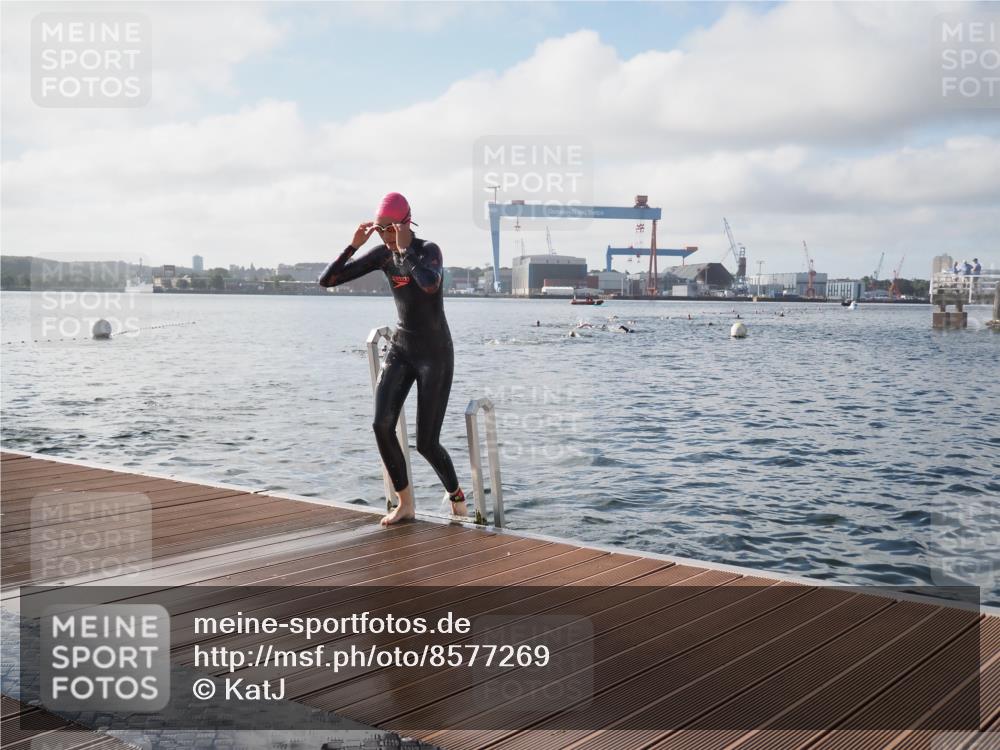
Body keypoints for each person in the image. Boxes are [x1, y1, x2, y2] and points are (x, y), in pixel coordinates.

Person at [318, 193, 466, 525]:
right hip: (402, 348)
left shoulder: (428, 252)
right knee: (380, 424)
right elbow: (327, 280)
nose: (383, 236)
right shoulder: (382, 255)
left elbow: (430, 284)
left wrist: (404, 252)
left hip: (435, 355)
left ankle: (457, 496)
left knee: (427, 443)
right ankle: (405, 504)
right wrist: (353, 246)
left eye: (388, 229)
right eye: (379, 229)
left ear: (405, 223)